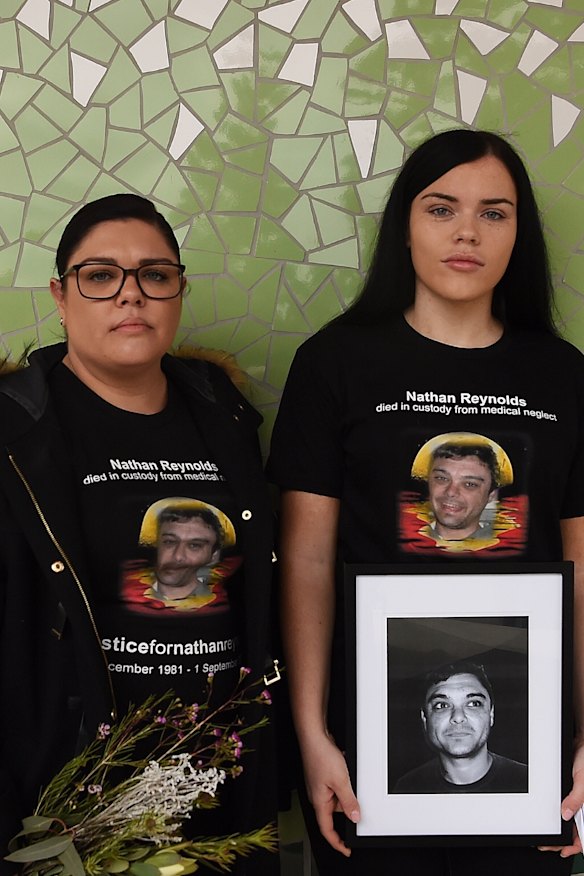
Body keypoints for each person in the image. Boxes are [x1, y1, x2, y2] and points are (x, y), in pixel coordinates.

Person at [267, 128, 584, 875]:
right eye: (441, 208)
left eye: (494, 213)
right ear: (405, 228)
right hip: (365, 739)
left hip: (531, 737)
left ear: (520, 234)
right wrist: (313, 735)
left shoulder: (563, 374)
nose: (467, 231)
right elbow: (307, 559)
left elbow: (580, 562)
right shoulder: (335, 363)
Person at [0, 194, 278, 874]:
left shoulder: (224, 416)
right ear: (62, 296)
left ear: (178, 291)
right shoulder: (13, 435)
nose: (132, 295)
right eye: (101, 276)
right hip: (65, 795)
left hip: (217, 786)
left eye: (154, 275)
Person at [394, 662, 527, 793]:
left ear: (491, 714)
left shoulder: (528, 782)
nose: (458, 717)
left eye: (473, 703)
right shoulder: (407, 788)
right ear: (425, 719)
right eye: (442, 705)